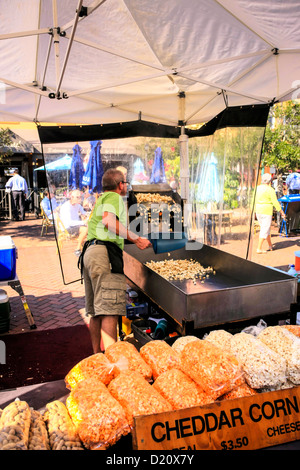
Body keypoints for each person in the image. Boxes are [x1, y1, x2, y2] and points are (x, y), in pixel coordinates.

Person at [79, 168, 151, 353]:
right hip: (104, 255)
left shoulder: (100, 199)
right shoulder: (114, 198)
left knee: (96, 311)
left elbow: (92, 227)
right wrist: (136, 238)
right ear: (120, 185)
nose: (126, 186)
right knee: (110, 310)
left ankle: (97, 356)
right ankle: (112, 363)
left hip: (90, 253)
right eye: (125, 183)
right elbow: (108, 222)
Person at [255, 173, 286, 253]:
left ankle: (270, 245)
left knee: (266, 228)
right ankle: (259, 248)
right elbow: (275, 202)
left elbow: (253, 200)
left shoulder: (257, 188)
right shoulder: (270, 190)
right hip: (267, 211)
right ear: (270, 181)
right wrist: (281, 212)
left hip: (258, 210)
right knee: (264, 229)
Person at [59, 190, 88, 255]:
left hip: (74, 226)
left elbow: (83, 212)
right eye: (77, 197)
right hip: (67, 228)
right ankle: (77, 249)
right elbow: (70, 223)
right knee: (85, 229)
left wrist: (85, 215)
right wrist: (83, 222)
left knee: (90, 227)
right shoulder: (66, 207)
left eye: (80, 197)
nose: (80, 199)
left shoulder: (77, 205)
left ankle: (86, 247)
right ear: (72, 197)